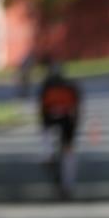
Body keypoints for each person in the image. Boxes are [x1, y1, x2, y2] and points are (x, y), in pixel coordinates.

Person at [38, 60, 81, 198]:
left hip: (54, 121)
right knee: (68, 151)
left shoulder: (46, 87)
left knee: (54, 141)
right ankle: (68, 184)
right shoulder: (70, 87)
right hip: (66, 120)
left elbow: (42, 110)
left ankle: (48, 155)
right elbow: (77, 108)